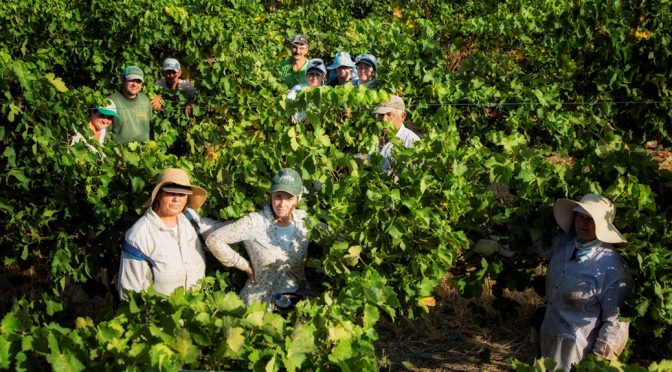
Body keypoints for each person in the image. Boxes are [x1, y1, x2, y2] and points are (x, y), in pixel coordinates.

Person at [537, 193, 631, 371]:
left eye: (590, 219)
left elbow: (615, 324)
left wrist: (595, 364)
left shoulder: (611, 269)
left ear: (602, 226)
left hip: (577, 354)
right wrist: (499, 246)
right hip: (548, 340)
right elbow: (536, 246)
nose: (583, 223)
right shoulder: (564, 245)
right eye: (580, 216)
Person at [205, 168, 309, 309]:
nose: (282, 204)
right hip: (258, 308)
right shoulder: (254, 222)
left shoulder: (305, 222)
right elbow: (214, 239)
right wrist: (243, 265)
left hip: (295, 305)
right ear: (271, 195)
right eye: (278, 196)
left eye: (289, 198)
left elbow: (334, 237)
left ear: (298, 199)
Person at [117, 168, 223, 299]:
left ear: (187, 198)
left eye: (182, 194)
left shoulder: (189, 218)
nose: (176, 199)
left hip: (196, 310)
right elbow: (128, 292)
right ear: (158, 195)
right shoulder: (139, 236)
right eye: (171, 193)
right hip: (160, 317)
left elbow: (217, 229)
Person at [372, 95, 420, 173]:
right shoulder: (374, 137)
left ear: (403, 116)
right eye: (380, 115)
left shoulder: (411, 141)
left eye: (389, 115)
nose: (384, 119)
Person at [108, 66, 153, 144]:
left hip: (144, 151)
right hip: (119, 152)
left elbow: (150, 127)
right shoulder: (111, 101)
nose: (135, 84)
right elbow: (105, 132)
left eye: (138, 81)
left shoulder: (145, 101)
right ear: (123, 80)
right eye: (131, 80)